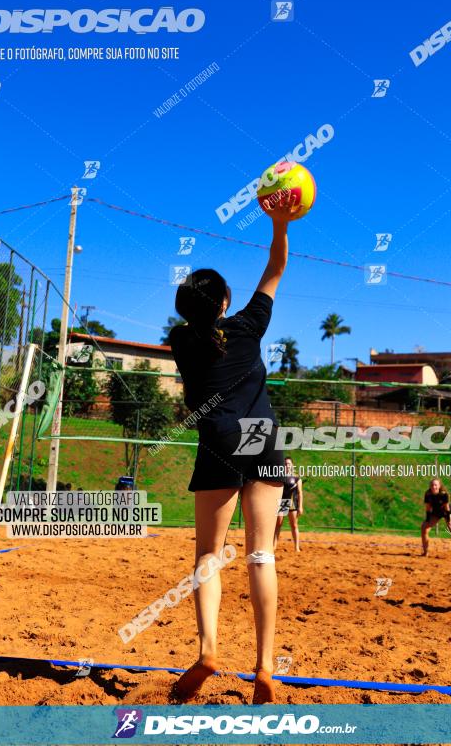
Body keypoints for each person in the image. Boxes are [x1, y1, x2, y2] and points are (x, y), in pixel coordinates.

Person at [168, 195, 297, 705]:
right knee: (261, 553)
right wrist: (280, 222)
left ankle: (208, 651)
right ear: (224, 301)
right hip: (261, 436)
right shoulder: (247, 326)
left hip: (219, 438)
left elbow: (201, 318)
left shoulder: (181, 340)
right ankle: (265, 667)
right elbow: (276, 266)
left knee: (208, 556)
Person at [421, 477, 451, 560]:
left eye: (435, 485)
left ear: (439, 486)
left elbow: (447, 508)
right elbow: (428, 508)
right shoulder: (428, 494)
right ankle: (425, 552)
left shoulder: (443, 494)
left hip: (446, 512)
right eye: (432, 485)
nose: (433, 487)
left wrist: (450, 521)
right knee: (424, 527)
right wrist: (427, 521)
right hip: (436, 513)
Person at [273, 456, 303, 552]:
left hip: (293, 503)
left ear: (292, 465)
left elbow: (300, 493)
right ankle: (273, 546)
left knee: (294, 525)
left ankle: (296, 547)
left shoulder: (296, 478)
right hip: (283, 502)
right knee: (278, 524)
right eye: (285, 464)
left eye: (289, 464)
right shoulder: (280, 477)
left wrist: (300, 506)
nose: (287, 465)